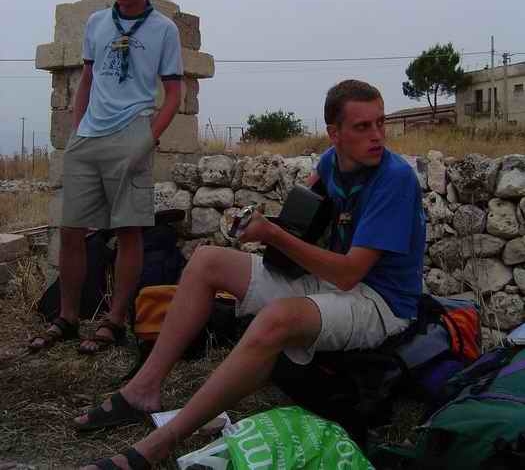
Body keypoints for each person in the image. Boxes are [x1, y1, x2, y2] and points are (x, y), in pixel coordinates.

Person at [77, 79, 426, 470]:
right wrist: (265, 224)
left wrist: (272, 235)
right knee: (207, 260)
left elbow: (349, 275)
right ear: (335, 134)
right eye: (362, 126)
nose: (377, 135)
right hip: (331, 279)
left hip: (379, 300)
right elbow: (300, 215)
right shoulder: (331, 162)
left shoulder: (394, 178)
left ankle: (158, 444)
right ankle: (144, 388)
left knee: (277, 318)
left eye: (380, 122)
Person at [29, 0, 183, 355]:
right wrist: (77, 128)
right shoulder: (97, 23)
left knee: (129, 231)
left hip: (132, 131)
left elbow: (174, 93)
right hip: (89, 136)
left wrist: (148, 138)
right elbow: (88, 79)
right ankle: (67, 317)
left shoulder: (164, 30)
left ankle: (114, 321)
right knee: (71, 229)